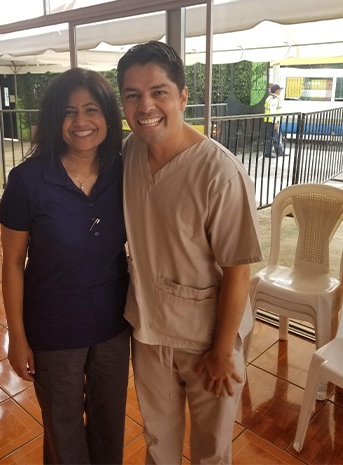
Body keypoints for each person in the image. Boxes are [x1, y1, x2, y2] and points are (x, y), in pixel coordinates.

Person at [117, 41, 263, 465]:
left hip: (207, 338)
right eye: (132, 94)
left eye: (159, 92)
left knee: (211, 449)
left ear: (183, 97)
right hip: (148, 330)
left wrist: (221, 352)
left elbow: (239, 270)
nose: (146, 106)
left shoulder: (220, 172)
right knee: (158, 443)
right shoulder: (129, 155)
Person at [0, 67, 130, 465]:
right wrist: (16, 337)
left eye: (91, 109)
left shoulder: (123, 172)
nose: (81, 122)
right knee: (63, 428)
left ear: (108, 115)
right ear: (55, 120)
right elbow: (11, 266)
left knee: (110, 425)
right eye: (69, 112)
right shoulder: (27, 180)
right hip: (53, 330)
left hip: (113, 324)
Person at [264, 83, 285, 158]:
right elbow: (273, 112)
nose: (280, 92)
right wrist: (275, 122)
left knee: (271, 137)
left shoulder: (270, 98)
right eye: (279, 90)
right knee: (275, 137)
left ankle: (271, 152)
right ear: (276, 90)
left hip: (269, 121)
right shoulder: (274, 100)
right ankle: (275, 152)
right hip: (272, 121)